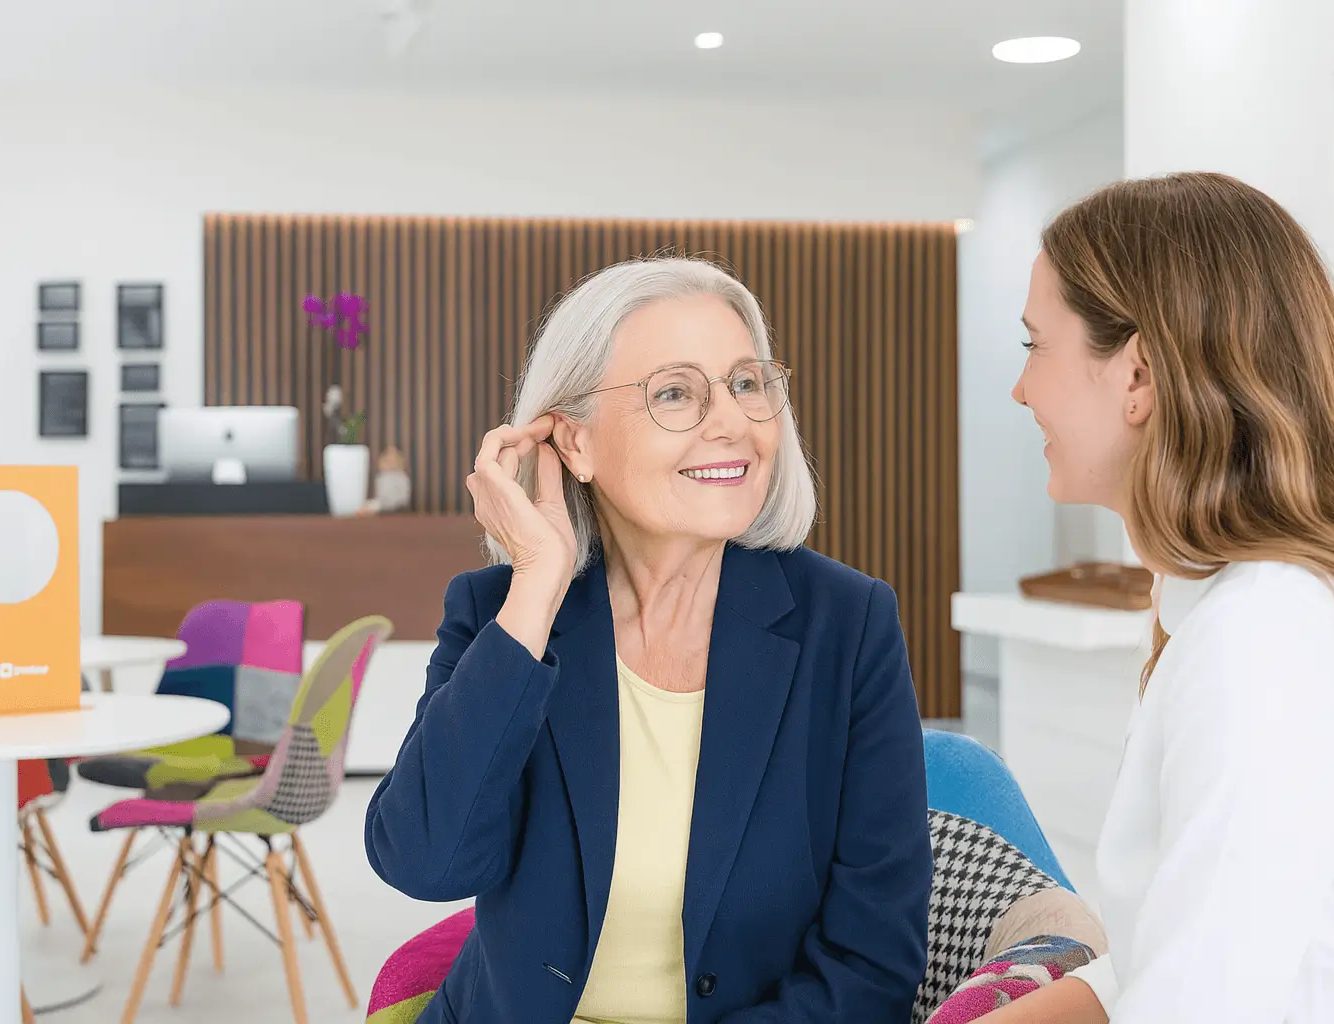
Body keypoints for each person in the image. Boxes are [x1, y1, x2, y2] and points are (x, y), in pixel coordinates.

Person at [364, 257, 932, 1023]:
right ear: (575, 443)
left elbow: (872, 965)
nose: (731, 422)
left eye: (746, 383)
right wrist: (536, 586)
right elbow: (424, 862)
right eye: (675, 393)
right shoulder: (502, 613)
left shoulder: (850, 624)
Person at [988, 171, 1334, 1023]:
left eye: (1036, 346)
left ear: (1138, 374)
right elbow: (1174, 950)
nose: (1021, 388)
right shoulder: (1245, 608)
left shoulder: (1267, 636)